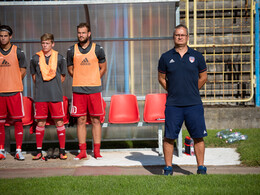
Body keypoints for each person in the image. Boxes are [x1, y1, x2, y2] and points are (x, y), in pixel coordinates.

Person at [158, 24, 208, 175]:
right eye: (177, 35)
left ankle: (201, 167)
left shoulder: (197, 56)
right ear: (174, 37)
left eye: (182, 35)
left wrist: (191, 89)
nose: (180, 37)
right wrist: (173, 90)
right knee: (169, 137)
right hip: (173, 105)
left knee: (198, 136)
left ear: (187, 37)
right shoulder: (165, 57)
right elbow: (161, 78)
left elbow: (203, 77)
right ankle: (168, 168)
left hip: (194, 104)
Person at [67, 23, 107, 160]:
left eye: (83, 33)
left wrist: (94, 78)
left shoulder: (98, 49)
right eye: (79, 33)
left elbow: (103, 68)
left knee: (96, 120)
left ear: (89, 34)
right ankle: (82, 151)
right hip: (78, 90)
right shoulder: (71, 50)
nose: (81, 35)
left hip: (95, 90)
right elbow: (70, 69)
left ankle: (96, 151)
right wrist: (80, 78)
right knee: (81, 120)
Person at [30, 33, 67, 160]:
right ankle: (39, 151)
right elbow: (34, 76)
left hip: (55, 95)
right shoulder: (35, 58)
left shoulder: (60, 58)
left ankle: (62, 150)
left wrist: (53, 85)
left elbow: (62, 76)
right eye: (43, 43)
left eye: (47, 43)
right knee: (40, 122)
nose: (45, 46)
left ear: (53, 44)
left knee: (59, 121)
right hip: (41, 96)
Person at [0, 25, 27, 160]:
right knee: (0, 123)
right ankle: (1, 150)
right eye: (1, 36)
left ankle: (18, 150)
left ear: (10, 36)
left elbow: (23, 70)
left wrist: (14, 79)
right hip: (0, 93)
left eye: (5, 35)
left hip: (14, 92)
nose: (3, 38)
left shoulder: (18, 52)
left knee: (17, 122)